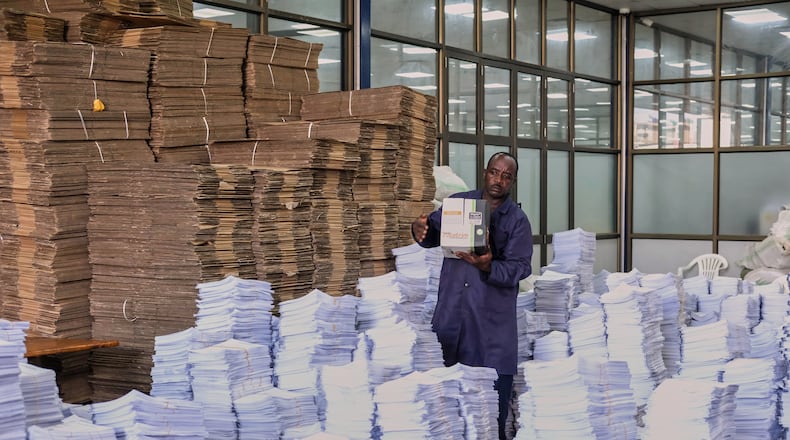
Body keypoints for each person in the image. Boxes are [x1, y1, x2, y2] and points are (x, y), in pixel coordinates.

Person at [412, 152, 533, 440]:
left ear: (512, 182)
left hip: (490, 322)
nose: (498, 180)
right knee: (448, 406)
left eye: (506, 176)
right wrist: (419, 230)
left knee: (491, 410)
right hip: (452, 313)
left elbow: (521, 268)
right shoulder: (458, 204)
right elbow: (431, 233)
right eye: (494, 172)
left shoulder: (517, 221)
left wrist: (488, 265)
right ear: (484, 172)